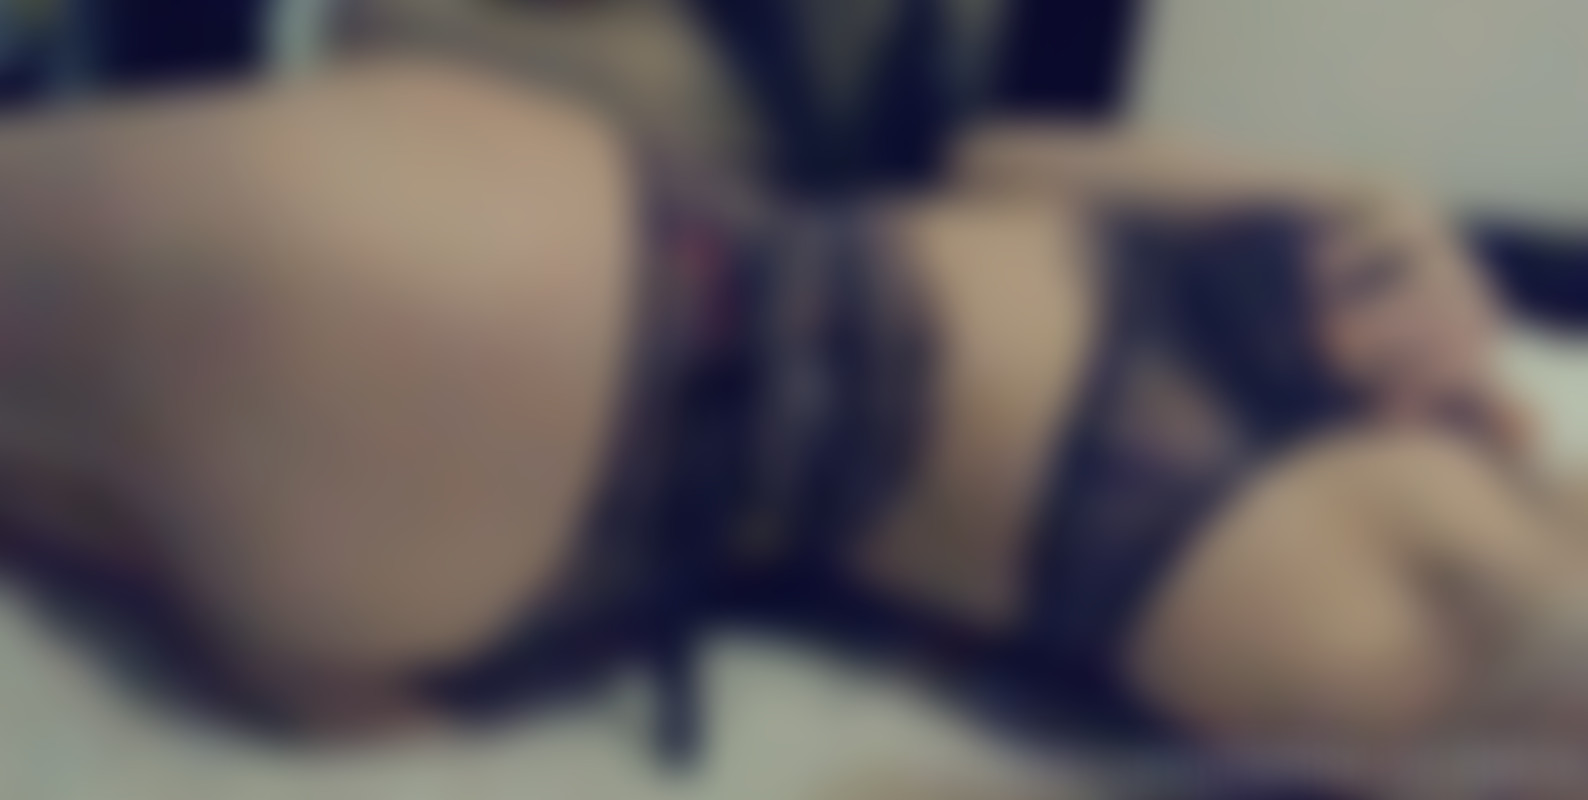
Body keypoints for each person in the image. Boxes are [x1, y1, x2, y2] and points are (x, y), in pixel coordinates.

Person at [0, 57, 1583, 796]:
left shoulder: (1472, 624)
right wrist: (1362, 200)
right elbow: (991, 164)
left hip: (507, 305)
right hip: (497, 491)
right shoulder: (1455, 427)